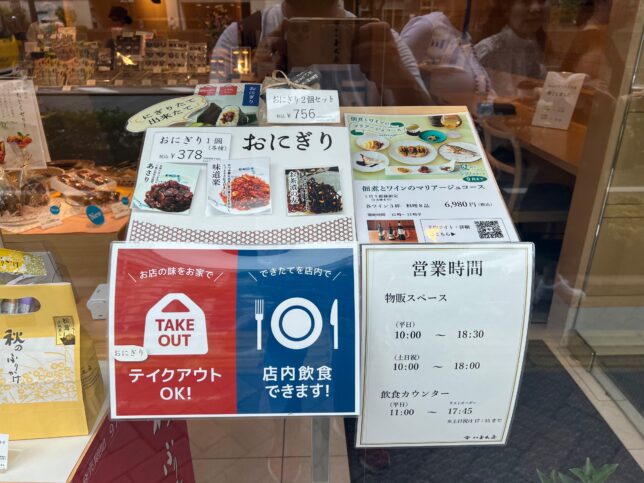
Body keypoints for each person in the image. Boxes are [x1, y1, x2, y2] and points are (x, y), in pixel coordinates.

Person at [210, 0, 430, 106]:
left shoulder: (378, 40)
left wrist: (398, 78)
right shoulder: (242, 36)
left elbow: (430, 122)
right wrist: (253, 81)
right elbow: (214, 117)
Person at [400, 0, 494, 111]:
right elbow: (395, 78)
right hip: (436, 121)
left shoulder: (463, 37)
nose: (490, 4)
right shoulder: (428, 26)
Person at [474, 0, 549, 97]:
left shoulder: (532, 47)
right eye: (526, 1)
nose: (536, 8)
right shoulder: (489, 50)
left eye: (541, 1)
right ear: (507, 10)